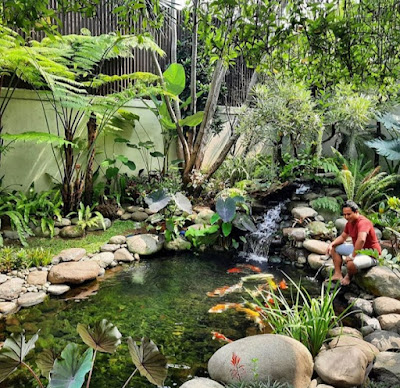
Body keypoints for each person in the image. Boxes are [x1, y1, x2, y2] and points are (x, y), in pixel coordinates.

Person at [326, 200, 381, 285]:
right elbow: (343, 237)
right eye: (344, 214)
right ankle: (338, 274)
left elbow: (361, 239)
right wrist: (331, 244)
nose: (346, 217)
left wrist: (352, 256)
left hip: (371, 254)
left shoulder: (363, 222)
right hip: (358, 249)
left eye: (349, 214)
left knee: (350, 264)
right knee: (334, 247)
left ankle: (348, 277)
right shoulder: (349, 223)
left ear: (356, 212)